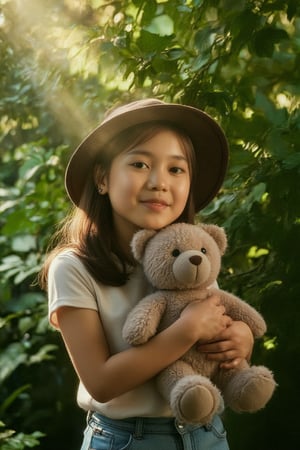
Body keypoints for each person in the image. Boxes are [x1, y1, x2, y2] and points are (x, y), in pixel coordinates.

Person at [39, 98, 254, 450]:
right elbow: (102, 382)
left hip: (207, 433)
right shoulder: (75, 267)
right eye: (139, 163)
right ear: (102, 177)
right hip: (126, 438)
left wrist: (240, 337)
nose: (159, 182)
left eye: (176, 169)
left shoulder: (193, 255)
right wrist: (186, 331)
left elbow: (214, 323)